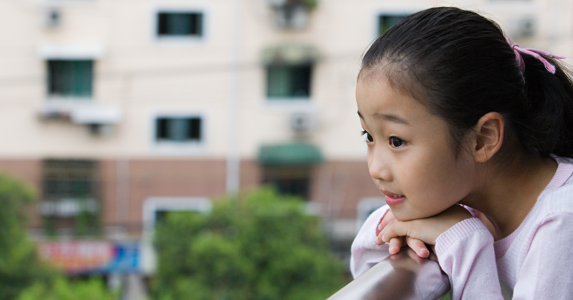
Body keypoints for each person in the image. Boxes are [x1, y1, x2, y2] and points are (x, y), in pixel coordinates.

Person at [351, 6, 573, 300]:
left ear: (483, 138)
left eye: (396, 141)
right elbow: (365, 270)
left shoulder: (560, 223)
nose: (376, 168)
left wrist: (465, 243)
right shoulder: (462, 192)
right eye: (368, 136)